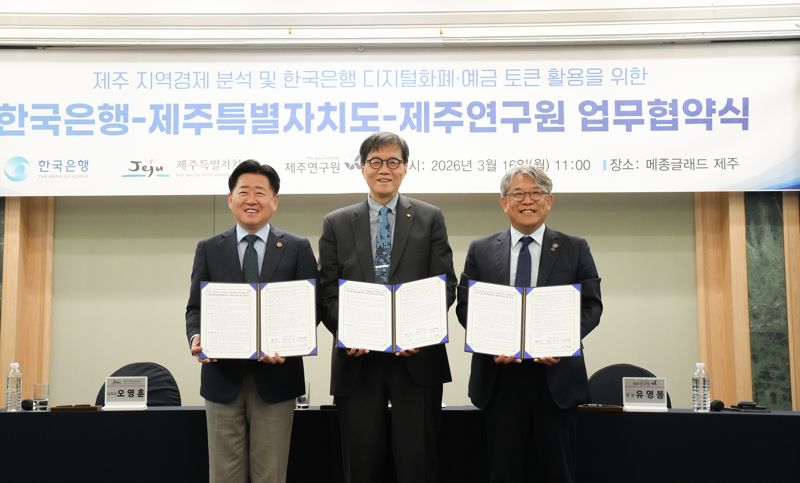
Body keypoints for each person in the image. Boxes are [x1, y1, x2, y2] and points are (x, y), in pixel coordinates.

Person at [318, 131, 457, 483]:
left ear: (405, 168)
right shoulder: (336, 222)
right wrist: (347, 331)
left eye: (393, 161)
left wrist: (419, 331)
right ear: (362, 168)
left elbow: (445, 284)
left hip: (416, 359)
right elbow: (327, 290)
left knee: (418, 463)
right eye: (376, 161)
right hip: (357, 360)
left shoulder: (430, 217)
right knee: (361, 463)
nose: (385, 169)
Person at [455, 165, 603, 483]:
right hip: (499, 381)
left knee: (557, 472)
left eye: (536, 193)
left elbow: (591, 306)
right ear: (503, 202)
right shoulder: (481, 249)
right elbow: (466, 306)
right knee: (503, 472)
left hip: (556, 382)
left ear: (549, 201)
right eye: (518, 194)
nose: (527, 200)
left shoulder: (575, 247)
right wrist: (491, 343)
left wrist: (562, 342)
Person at [185, 160, 318, 483]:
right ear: (230, 199)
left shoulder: (297, 248)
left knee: (270, 474)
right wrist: (197, 337)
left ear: (275, 200)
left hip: (277, 380)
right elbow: (195, 308)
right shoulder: (209, 249)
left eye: (261, 192)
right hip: (222, 379)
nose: (251, 200)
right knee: (223, 475)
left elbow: (309, 309)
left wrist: (288, 344)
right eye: (243, 191)